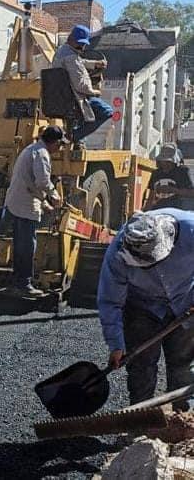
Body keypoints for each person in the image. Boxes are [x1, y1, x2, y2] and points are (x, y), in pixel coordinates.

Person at [98, 209, 194, 411]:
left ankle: (183, 420)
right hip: (142, 306)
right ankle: (140, 421)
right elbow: (110, 301)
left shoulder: (191, 230)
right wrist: (116, 344)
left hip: (186, 301)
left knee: (182, 364)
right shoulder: (118, 252)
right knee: (141, 366)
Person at [2, 125, 66, 296]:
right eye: (60, 144)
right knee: (28, 245)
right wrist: (55, 196)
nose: (60, 148)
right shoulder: (42, 154)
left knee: (20, 243)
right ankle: (25, 284)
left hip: (17, 202)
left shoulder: (31, 149)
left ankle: (18, 281)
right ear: (55, 142)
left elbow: (30, 182)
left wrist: (44, 202)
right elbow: (42, 182)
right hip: (25, 205)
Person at [52, 25, 113, 146]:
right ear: (71, 39)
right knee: (107, 111)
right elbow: (80, 85)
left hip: (63, 98)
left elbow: (79, 62)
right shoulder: (71, 57)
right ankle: (74, 136)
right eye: (80, 44)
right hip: (75, 99)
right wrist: (94, 92)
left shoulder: (62, 52)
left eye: (83, 44)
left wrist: (94, 64)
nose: (82, 47)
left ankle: (77, 138)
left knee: (85, 114)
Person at [144, 143, 194, 211]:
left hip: (177, 211)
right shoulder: (156, 173)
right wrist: (145, 212)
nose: (165, 164)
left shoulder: (182, 172)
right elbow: (151, 197)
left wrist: (173, 190)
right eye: (163, 161)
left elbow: (191, 193)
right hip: (158, 211)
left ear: (174, 161)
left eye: (168, 162)